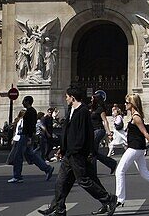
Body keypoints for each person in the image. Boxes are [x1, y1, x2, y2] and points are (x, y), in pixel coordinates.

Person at [37, 85, 118, 216]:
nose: (66, 99)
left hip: (76, 152)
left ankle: (108, 199)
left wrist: (80, 150)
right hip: (69, 152)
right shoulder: (71, 109)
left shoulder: (83, 111)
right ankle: (59, 209)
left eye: (67, 97)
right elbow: (67, 131)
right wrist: (62, 148)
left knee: (83, 180)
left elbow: (84, 133)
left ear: (72, 97)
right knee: (61, 182)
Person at [115, 94, 149, 206]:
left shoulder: (136, 117)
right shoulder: (134, 116)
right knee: (144, 172)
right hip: (138, 148)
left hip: (135, 148)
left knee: (119, 171)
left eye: (127, 103)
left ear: (132, 104)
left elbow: (145, 133)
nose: (125, 105)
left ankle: (120, 199)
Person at [9, 96, 55, 183]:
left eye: (23, 101)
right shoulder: (32, 111)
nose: (22, 102)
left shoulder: (30, 112)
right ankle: (47, 168)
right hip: (27, 136)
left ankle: (17, 176)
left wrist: (29, 137)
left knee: (18, 156)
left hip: (25, 136)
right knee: (31, 155)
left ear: (27, 102)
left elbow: (29, 126)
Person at [89, 92, 118, 175]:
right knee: (93, 152)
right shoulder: (91, 108)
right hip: (93, 131)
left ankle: (93, 172)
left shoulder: (100, 109)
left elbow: (105, 121)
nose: (91, 99)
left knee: (92, 151)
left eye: (92, 98)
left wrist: (109, 132)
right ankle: (111, 163)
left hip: (99, 130)